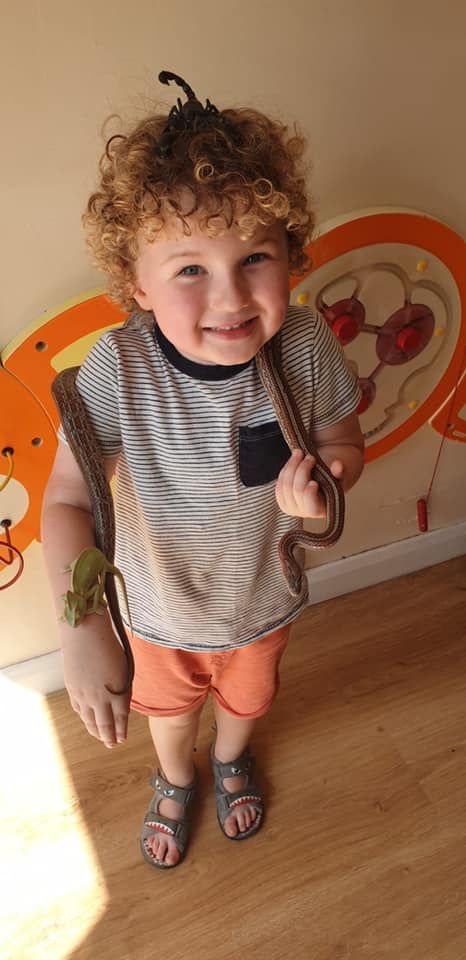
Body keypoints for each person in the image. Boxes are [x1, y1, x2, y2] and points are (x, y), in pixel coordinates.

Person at [41, 72, 364, 870]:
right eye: (190, 269)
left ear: (291, 252)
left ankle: (232, 761)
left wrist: (326, 476)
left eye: (256, 255)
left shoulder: (305, 344)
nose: (231, 297)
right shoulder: (117, 370)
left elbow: (345, 443)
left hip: (264, 602)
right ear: (137, 285)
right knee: (169, 712)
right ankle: (177, 774)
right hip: (157, 614)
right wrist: (80, 632)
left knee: (248, 702)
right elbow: (68, 499)